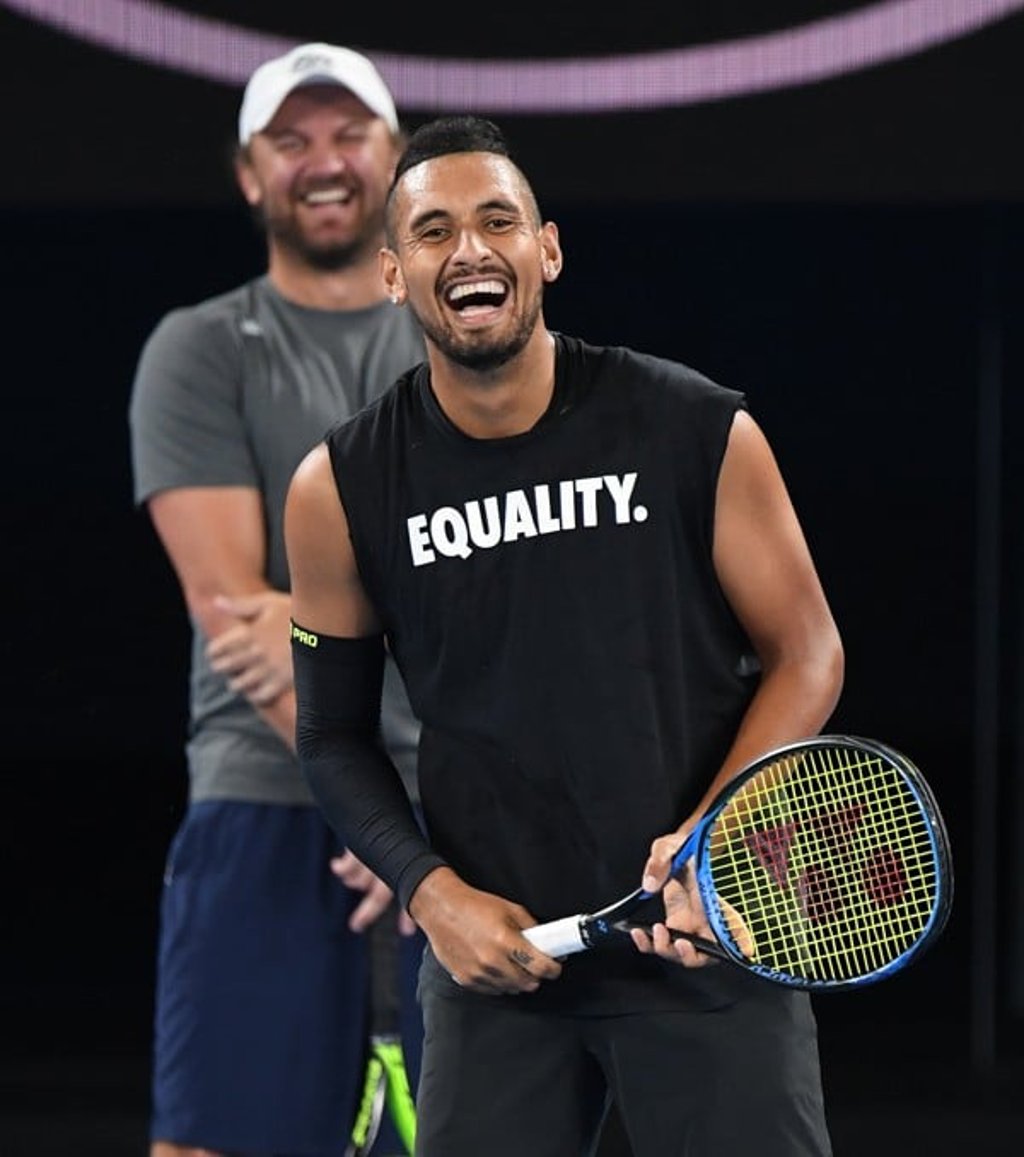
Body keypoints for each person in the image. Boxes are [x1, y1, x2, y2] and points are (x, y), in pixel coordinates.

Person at [283, 114, 846, 1157]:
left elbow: (808, 649)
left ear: (546, 249)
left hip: (702, 943)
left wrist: (712, 832)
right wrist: (431, 892)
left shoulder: (692, 428)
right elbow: (331, 738)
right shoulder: (341, 489)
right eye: (435, 230)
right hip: (499, 970)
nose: (470, 249)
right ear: (396, 273)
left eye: (498, 221)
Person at [128, 42, 427, 1157]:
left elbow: (516, 607)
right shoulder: (201, 348)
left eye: (349, 135)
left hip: (462, 821)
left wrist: (421, 822)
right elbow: (240, 621)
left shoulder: (469, 351)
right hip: (267, 800)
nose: (323, 161)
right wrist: (381, 816)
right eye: (289, 141)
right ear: (249, 175)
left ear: (394, 162)